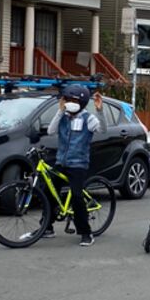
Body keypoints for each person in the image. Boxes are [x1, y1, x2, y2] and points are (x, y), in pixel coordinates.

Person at [46, 83, 103, 246]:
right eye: (67, 99)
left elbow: (102, 129)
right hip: (61, 161)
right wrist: (59, 110)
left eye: (73, 100)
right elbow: (50, 131)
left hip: (78, 164)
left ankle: (86, 233)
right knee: (48, 191)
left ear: (82, 102)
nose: (69, 102)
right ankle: (46, 227)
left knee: (77, 197)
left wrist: (100, 111)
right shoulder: (63, 116)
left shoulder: (88, 118)